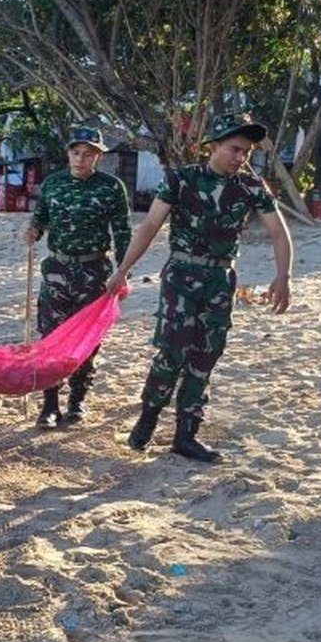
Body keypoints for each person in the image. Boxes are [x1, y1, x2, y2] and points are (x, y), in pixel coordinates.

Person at [106, 112, 293, 463]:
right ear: (215, 145)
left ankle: (186, 436)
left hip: (220, 281)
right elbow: (149, 226)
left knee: (205, 357)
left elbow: (279, 232)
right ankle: (147, 419)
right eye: (235, 149)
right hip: (181, 276)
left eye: (247, 153)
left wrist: (283, 275)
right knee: (172, 353)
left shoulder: (251, 186)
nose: (241, 158)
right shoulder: (181, 180)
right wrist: (124, 269)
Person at [24, 125, 131, 428]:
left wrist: (124, 272)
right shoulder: (53, 184)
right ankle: (49, 405)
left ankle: (77, 402)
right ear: (68, 153)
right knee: (51, 339)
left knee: (87, 340)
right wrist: (34, 231)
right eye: (76, 153)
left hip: (94, 271)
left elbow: (122, 233)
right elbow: (40, 218)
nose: (81, 160)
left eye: (88, 154)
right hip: (57, 270)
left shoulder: (111, 187)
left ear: (98, 157)